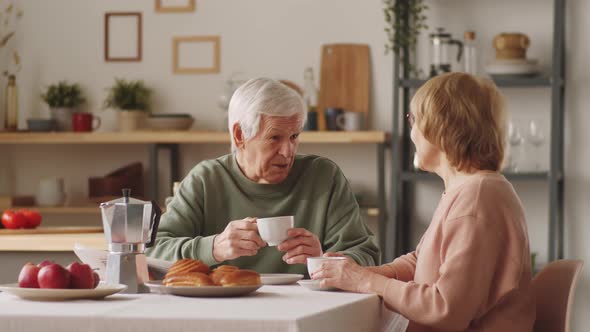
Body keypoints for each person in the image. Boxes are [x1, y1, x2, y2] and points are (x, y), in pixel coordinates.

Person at [311, 72, 535, 331]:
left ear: (442, 127)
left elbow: (445, 308)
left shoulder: (476, 199)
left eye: (414, 119)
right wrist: (357, 273)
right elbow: (422, 260)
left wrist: (365, 282)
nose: (412, 132)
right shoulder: (469, 190)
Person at [146, 77, 380, 274]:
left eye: (294, 136)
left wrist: (324, 258)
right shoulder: (206, 180)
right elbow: (153, 251)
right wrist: (214, 247)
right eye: (274, 138)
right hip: (223, 310)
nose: (288, 151)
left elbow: (368, 256)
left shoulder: (323, 177)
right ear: (240, 136)